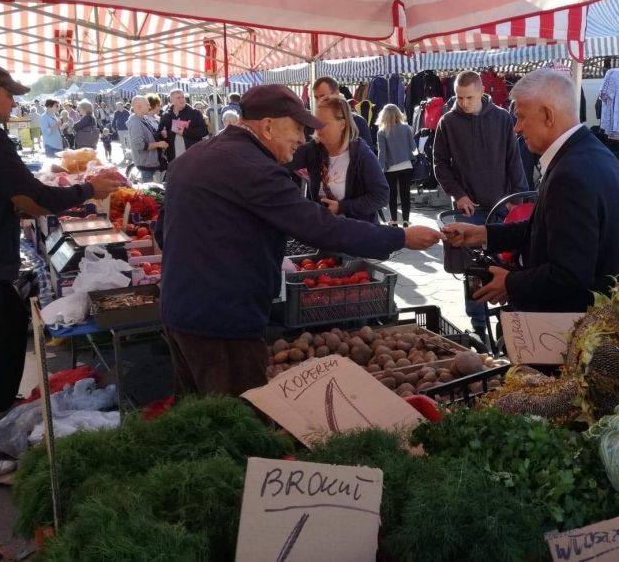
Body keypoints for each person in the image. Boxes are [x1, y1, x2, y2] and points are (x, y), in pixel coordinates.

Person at [153, 85, 442, 396]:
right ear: (268, 126)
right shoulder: (256, 169)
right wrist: (400, 236)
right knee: (238, 418)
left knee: (195, 414)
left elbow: (162, 233)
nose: (303, 139)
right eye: (297, 128)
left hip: (178, 312)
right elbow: (320, 227)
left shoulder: (191, 158)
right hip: (223, 322)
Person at [0, 64, 121, 478]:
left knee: (10, 328)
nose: (14, 102)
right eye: (9, 94)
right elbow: (33, 199)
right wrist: (89, 189)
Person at [443, 68, 619, 314]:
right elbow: (548, 229)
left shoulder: (571, 173)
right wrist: (483, 234)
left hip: (584, 318)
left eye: (521, 117)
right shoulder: (586, 152)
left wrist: (510, 283)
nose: (517, 129)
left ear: (548, 116)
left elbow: (569, 273)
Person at [433, 70, 528, 338]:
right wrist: (459, 194)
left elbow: (514, 160)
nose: (463, 103)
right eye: (459, 97)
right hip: (469, 209)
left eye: (469, 98)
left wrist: (517, 200)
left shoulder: (502, 118)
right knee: (474, 269)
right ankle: (478, 326)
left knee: (509, 264)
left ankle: (508, 323)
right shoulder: (447, 122)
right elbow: (440, 165)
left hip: (502, 206)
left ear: (482, 92)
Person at [286, 94, 388, 223]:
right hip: (325, 231)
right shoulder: (312, 149)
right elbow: (280, 161)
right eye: (316, 122)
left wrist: (342, 207)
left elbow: (381, 197)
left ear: (342, 124)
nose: (318, 128)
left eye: (324, 123)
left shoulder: (361, 154)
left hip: (358, 231)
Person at [377, 104, 416, 227]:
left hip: (390, 169)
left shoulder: (382, 132)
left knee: (392, 195)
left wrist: (379, 169)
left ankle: (394, 221)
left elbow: (382, 153)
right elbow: (413, 147)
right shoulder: (406, 128)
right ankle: (405, 220)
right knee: (405, 194)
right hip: (407, 166)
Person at [313, 76, 371, 144]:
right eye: (316, 97)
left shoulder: (358, 122)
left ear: (336, 94)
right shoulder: (313, 123)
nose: (319, 101)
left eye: (323, 96)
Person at [157, 89, 208, 164]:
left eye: (183, 97)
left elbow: (204, 131)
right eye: (178, 98)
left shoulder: (194, 113)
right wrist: (162, 134)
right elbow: (159, 135)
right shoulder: (166, 115)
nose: (182, 100)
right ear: (171, 100)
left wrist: (185, 132)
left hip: (192, 156)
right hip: (173, 158)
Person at [127, 95, 168, 183]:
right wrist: (159, 144)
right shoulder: (135, 123)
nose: (149, 107)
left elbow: (149, 137)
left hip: (151, 162)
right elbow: (140, 145)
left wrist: (160, 134)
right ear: (139, 106)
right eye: (147, 104)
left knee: (154, 188)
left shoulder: (143, 119)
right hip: (146, 164)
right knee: (148, 189)